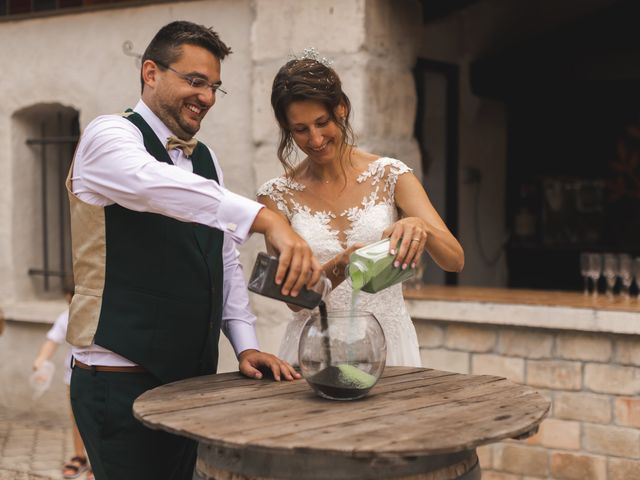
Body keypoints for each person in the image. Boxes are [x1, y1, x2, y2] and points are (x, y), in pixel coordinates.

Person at [67, 22, 321, 480]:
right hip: (121, 376)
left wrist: (245, 346)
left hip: (192, 378)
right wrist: (267, 220)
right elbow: (152, 184)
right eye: (195, 80)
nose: (206, 97)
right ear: (150, 72)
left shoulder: (205, 160)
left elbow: (221, 259)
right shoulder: (107, 137)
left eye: (214, 87)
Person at [257, 51, 464, 367]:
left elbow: (454, 259)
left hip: (387, 343)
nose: (314, 139)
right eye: (300, 129)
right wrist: (341, 265)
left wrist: (421, 228)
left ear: (341, 108)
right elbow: (294, 302)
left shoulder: (391, 175)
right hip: (315, 348)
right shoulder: (277, 195)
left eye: (322, 123)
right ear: (287, 128)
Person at [32, 287, 94, 480]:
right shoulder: (67, 317)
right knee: (77, 419)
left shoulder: (101, 314)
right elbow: (53, 339)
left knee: (98, 421)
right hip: (73, 377)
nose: (72, 303)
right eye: (69, 300)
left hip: (100, 377)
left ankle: (97, 463)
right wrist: (41, 359)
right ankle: (79, 456)